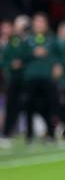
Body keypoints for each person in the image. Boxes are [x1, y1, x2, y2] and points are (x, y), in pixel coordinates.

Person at [22, 13, 63, 143]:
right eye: (37, 22)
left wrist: (57, 65)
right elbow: (21, 56)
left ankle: (51, 133)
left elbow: (59, 56)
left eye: (42, 22)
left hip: (47, 77)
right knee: (29, 105)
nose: (39, 25)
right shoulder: (27, 40)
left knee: (50, 105)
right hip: (31, 78)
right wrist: (32, 53)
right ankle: (29, 135)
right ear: (33, 24)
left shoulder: (52, 40)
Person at [0, 15, 30, 148]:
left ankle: (21, 132)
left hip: (15, 79)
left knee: (18, 106)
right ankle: (7, 133)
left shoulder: (16, 41)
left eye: (8, 28)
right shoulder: (6, 43)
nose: (6, 31)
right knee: (10, 107)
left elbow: (26, 55)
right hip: (8, 79)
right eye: (3, 29)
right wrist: (8, 65)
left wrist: (19, 63)